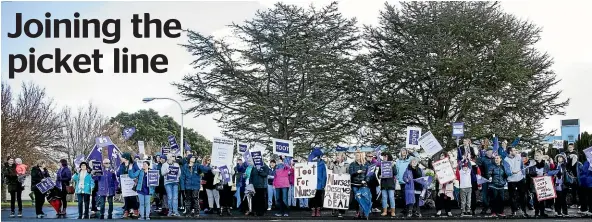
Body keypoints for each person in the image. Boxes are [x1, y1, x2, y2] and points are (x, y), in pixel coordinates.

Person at [503, 147, 529, 217]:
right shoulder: (506, 160)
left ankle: (524, 211)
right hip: (511, 180)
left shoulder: (518, 157)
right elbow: (507, 171)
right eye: (514, 150)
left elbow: (522, 166)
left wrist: (523, 176)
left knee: (523, 196)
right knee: (512, 196)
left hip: (520, 179)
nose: (516, 151)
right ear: (510, 152)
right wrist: (511, 173)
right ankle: (513, 211)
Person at [527, 150, 550, 217]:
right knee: (535, 199)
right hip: (535, 184)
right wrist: (534, 175)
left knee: (542, 199)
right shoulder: (532, 164)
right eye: (535, 155)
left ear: (541, 156)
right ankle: (536, 213)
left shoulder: (546, 165)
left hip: (542, 184)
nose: (536, 157)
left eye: (537, 155)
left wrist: (545, 175)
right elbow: (530, 174)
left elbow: (548, 173)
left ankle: (542, 212)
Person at [118, 152, 140, 218]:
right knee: (126, 197)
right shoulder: (122, 165)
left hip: (132, 183)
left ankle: (135, 209)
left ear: (126, 158)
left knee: (133, 197)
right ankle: (126, 211)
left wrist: (135, 177)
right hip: (124, 184)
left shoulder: (134, 164)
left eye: (122, 157)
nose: (121, 159)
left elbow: (138, 171)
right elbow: (118, 173)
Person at [349, 152, 368, 219]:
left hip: (363, 184)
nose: (357, 156)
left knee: (363, 198)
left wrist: (366, 180)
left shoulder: (366, 164)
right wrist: (357, 172)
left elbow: (368, 174)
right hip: (355, 184)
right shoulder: (352, 164)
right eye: (356, 155)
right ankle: (357, 212)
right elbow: (350, 173)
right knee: (357, 198)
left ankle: (363, 213)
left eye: (358, 155)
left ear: (361, 156)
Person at [477, 146, 495, 215]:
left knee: (492, 195)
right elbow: (478, 169)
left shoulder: (494, 159)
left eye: (491, 151)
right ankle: (485, 208)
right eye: (489, 151)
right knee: (484, 195)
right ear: (486, 152)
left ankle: (492, 208)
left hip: (492, 180)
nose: (490, 152)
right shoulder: (482, 159)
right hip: (484, 179)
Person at [378, 152, 397, 217]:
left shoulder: (392, 164)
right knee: (384, 198)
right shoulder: (381, 165)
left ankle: (393, 211)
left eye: (385, 156)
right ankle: (384, 211)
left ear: (388, 157)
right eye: (383, 157)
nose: (384, 158)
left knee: (391, 197)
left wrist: (393, 166)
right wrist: (379, 176)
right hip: (383, 184)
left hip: (391, 184)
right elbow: (378, 174)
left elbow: (395, 173)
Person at [435, 153, 454, 217]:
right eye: (441, 155)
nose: (441, 156)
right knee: (440, 198)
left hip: (448, 184)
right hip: (441, 184)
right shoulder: (437, 165)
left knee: (448, 198)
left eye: (443, 155)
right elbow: (436, 175)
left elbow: (453, 174)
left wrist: (451, 179)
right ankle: (439, 210)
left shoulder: (450, 164)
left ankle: (448, 211)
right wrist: (438, 177)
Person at [309, 150, 327, 217]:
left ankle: (318, 210)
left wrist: (323, 184)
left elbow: (324, 175)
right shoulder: (311, 163)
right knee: (312, 197)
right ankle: (313, 210)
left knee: (319, 197)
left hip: (319, 183)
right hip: (312, 183)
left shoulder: (322, 164)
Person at [396, 148, 412, 215]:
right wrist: (398, 177)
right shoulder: (398, 161)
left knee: (408, 195)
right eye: (402, 151)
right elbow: (396, 170)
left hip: (408, 180)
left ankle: (409, 209)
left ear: (407, 152)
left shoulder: (409, 160)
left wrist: (413, 152)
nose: (404, 152)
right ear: (400, 152)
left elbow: (417, 159)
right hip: (401, 181)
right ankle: (405, 209)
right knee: (403, 195)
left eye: (405, 151)